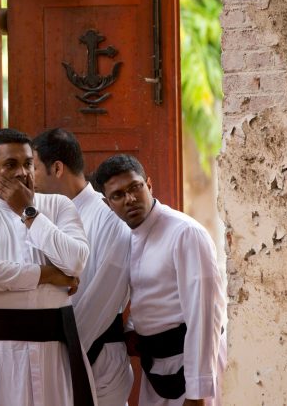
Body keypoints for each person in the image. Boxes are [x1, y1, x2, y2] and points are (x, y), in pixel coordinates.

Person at [0, 128, 96, 406]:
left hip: (54, 352)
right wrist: (47, 274)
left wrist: (29, 213)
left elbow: (76, 261)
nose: (21, 173)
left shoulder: (59, 205)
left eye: (28, 163)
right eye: (10, 165)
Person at [94, 154, 227, 406]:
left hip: (193, 368)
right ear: (107, 203)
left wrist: (197, 392)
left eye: (135, 187)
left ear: (149, 184)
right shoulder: (126, 238)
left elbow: (205, 315)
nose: (130, 199)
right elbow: (149, 293)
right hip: (155, 368)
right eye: (118, 195)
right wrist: (134, 329)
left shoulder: (185, 233)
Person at [31, 128, 133, 405]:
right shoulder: (43, 215)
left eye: (34, 167)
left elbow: (102, 298)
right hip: (55, 354)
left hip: (95, 356)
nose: (30, 178)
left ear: (57, 168)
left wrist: (60, 356)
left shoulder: (109, 219)